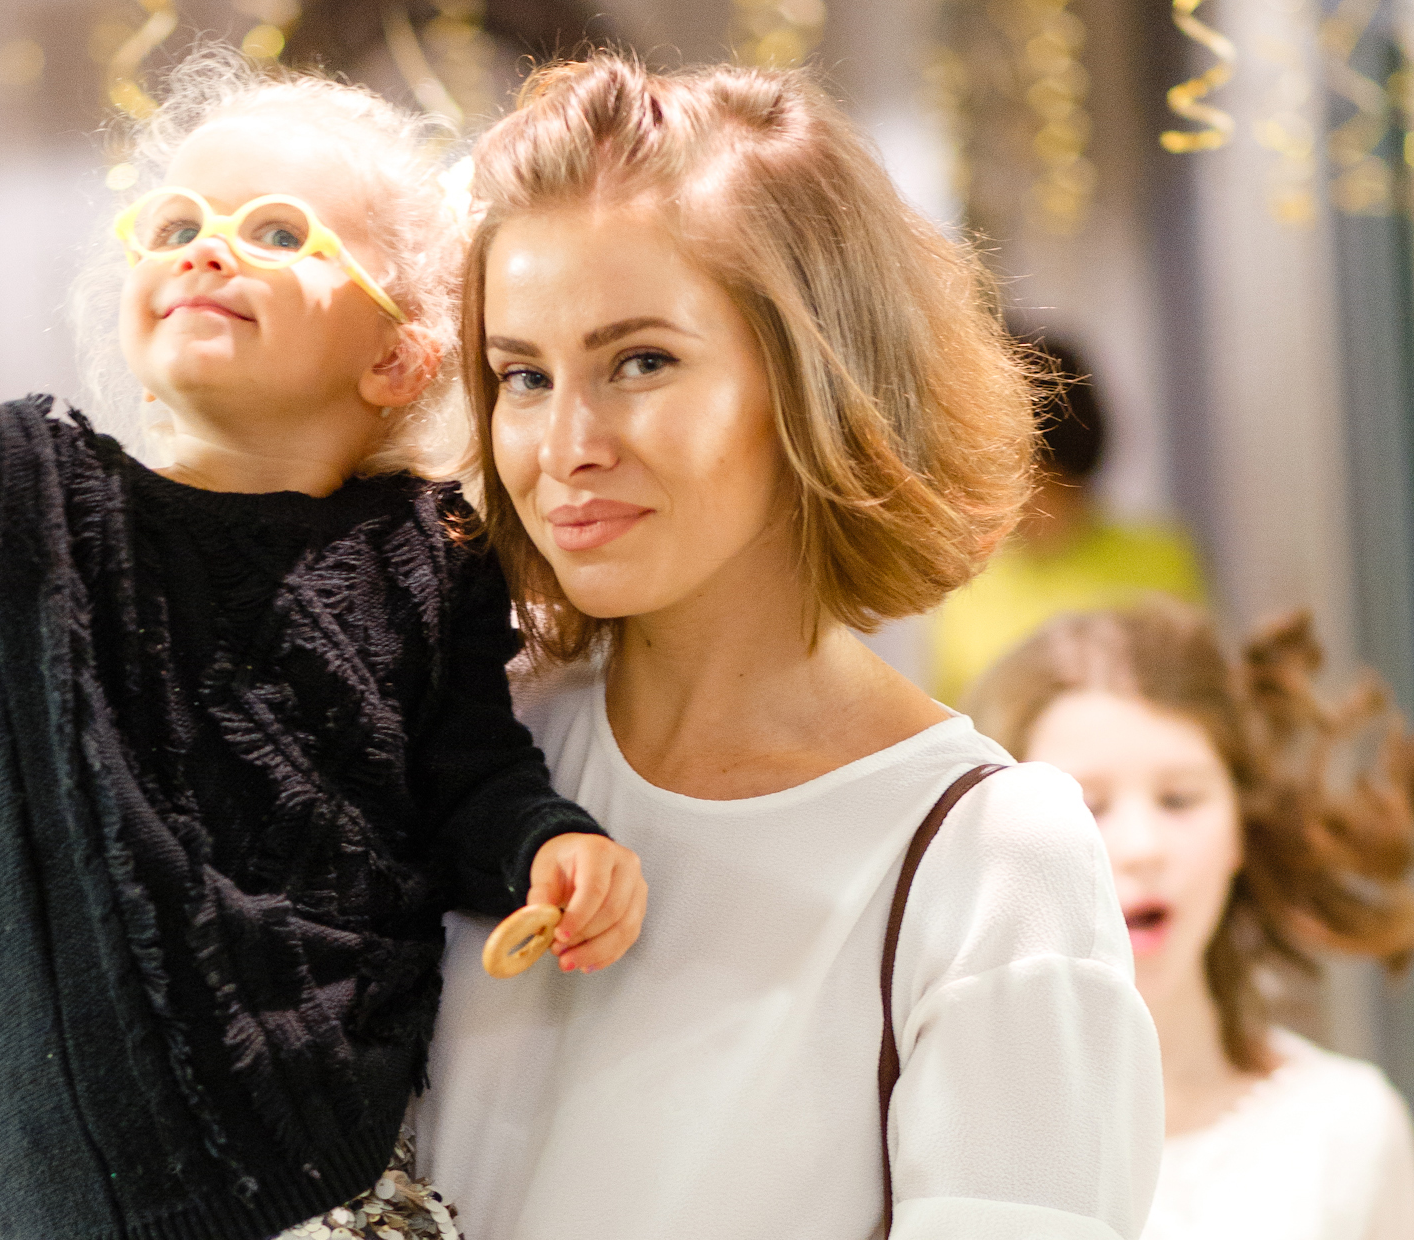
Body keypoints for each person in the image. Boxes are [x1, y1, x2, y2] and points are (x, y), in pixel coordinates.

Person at [0, 48, 646, 1240]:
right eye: (176, 224)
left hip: (345, 1176)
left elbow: (471, 778)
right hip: (105, 1198)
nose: (207, 249)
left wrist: (545, 843)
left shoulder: (431, 552)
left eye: (278, 233)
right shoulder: (42, 510)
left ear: (398, 353)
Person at [412, 55, 1163, 1238]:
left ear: (818, 375)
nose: (564, 445)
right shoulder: (463, 756)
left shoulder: (987, 861)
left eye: (640, 361)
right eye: (522, 374)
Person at [966, 601, 1414, 1240]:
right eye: (1087, 805)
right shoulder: (937, 1132)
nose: (1141, 846)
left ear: (1239, 829)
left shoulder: (1346, 1131)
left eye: (1179, 799)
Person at [929, 339, 1206, 705]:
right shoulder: (966, 581)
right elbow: (952, 711)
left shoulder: (1156, 557)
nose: (1026, 501)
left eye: (1043, 477)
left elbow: (1198, 691)